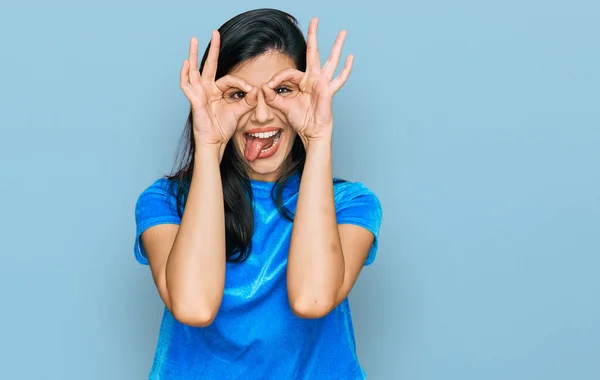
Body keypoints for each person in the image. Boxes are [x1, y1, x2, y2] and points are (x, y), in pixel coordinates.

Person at [133, 8, 383, 379]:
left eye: (283, 90)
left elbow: (312, 299)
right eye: (238, 94)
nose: (262, 114)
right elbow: (194, 306)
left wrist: (318, 139)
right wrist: (208, 145)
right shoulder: (166, 203)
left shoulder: (352, 205)